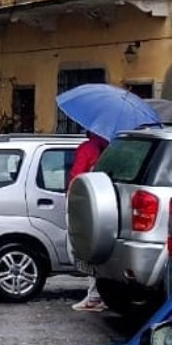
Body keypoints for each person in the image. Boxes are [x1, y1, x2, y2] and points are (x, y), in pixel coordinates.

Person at [66, 132, 109, 312]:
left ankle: (94, 296)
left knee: (85, 250)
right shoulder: (110, 147)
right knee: (101, 252)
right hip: (104, 202)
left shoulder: (87, 148)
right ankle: (98, 294)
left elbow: (77, 176)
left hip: (84, 203)